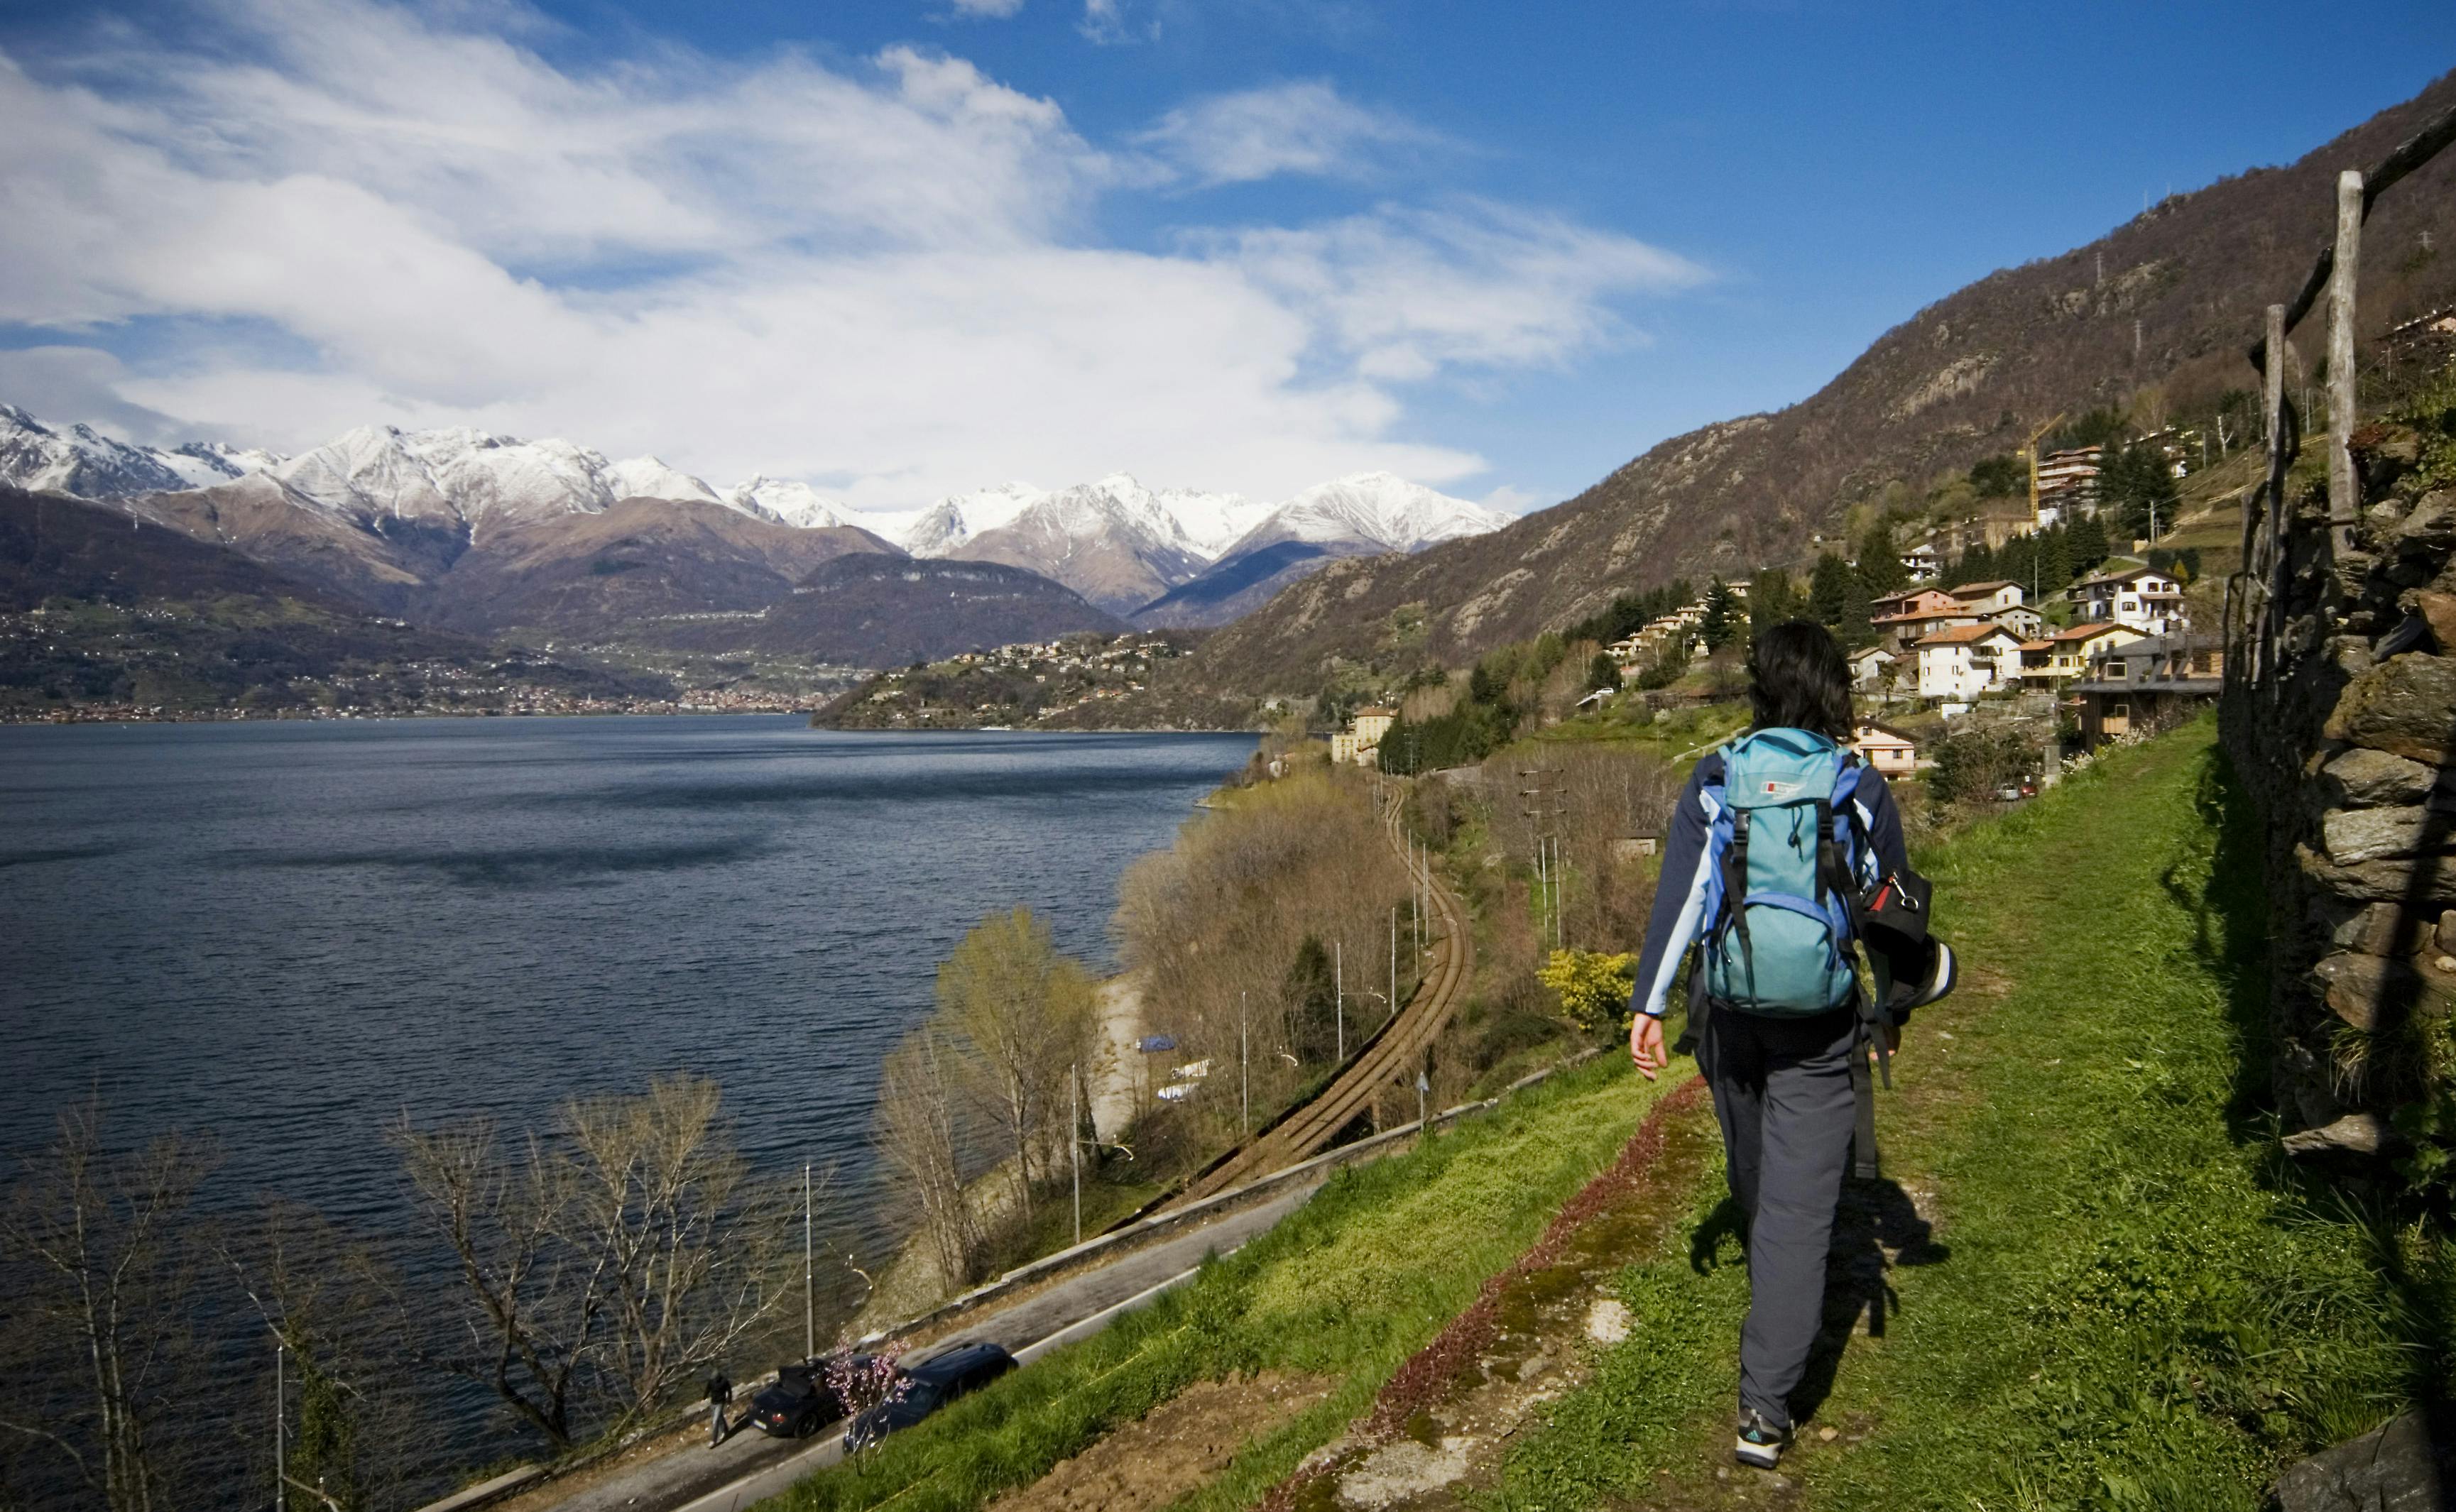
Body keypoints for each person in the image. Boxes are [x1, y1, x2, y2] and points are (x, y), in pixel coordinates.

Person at [1625, 619, 1926, 1472]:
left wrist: (1649, 1004)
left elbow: (1683, 898)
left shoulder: (1718, 777)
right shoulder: (1855, 787)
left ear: (1759, 691)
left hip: (1728, 1016)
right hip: (1819, 1028)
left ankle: (1774, 1299)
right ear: (1835, 693)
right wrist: (1893, 1013)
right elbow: (1891, 914)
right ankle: (1764, 1411)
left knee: (1755, 1177)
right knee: (1798, 1211)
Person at [706, 1369, 733, 1447]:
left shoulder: (725, 1381)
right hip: (713, 1403)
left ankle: (713, 1441)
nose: (713, 1379)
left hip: (720, 1403)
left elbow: (729, 1391)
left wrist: (729, 1402)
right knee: (720, 1417)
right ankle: (725, 1431)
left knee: (715, 1421)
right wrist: (704, 1397)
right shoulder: (711, 1381)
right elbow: (708, 1389)